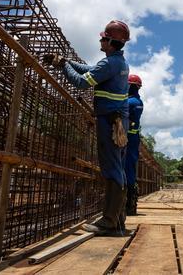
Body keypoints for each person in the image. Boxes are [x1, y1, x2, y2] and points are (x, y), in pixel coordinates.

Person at [43, 20, 131, 236]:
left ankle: (109, 222)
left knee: (111, 169)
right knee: (117, 168)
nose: (100, 40)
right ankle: (117, 219)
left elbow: (83, 82)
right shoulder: (117, 62)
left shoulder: (109, 64)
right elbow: (91, 69)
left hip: (110, 122)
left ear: (110, 41)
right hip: (116, 121)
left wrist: (63, 66)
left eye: (103, 37)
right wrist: (66, 61)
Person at [124, 74, 144, 215]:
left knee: (126, 168)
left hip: (128, 139)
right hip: (132, 138)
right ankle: (129, 204)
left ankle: (128, 204)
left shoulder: (131, 102)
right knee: (128, 168)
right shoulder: (136, 101)